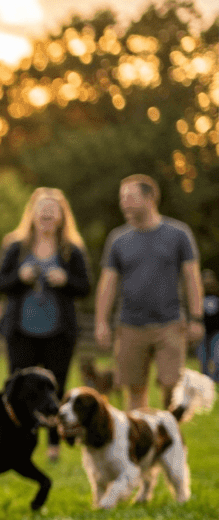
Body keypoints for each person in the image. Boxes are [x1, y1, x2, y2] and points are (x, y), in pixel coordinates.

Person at [0, 187, 92, 462]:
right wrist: (19, 276)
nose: (47, 215)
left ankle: (53, 444)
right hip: (21, 330)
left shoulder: (72, 250)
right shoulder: (15, 247)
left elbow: (85, 286)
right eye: (42, 210)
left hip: (59, 332)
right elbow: (0, 282)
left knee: (55, 388)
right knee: (18, 387)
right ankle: (18, 442)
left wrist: (66, 280)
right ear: (32, 214)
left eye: (53, 210)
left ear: (62, 216)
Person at [95, 174, 205, 410]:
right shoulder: (118, 240)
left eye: (130, 197)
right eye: (122, 197)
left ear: (150, 197)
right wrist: (101, 322)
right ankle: (139, 442)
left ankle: (169, 443)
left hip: (170, 323)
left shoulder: (178, 234)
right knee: (134, 390)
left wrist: (196, 317)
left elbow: (192, 277)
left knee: (171, 388)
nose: (124, 203)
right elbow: (107, 284)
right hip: (129, 325)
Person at [199, 269, 219, 381]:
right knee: (203, 359)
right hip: (203, 332)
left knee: (217, 358)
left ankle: (216, 380)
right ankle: (205, 381)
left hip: (216, 333)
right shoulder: (198, 296)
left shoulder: (217, 295)